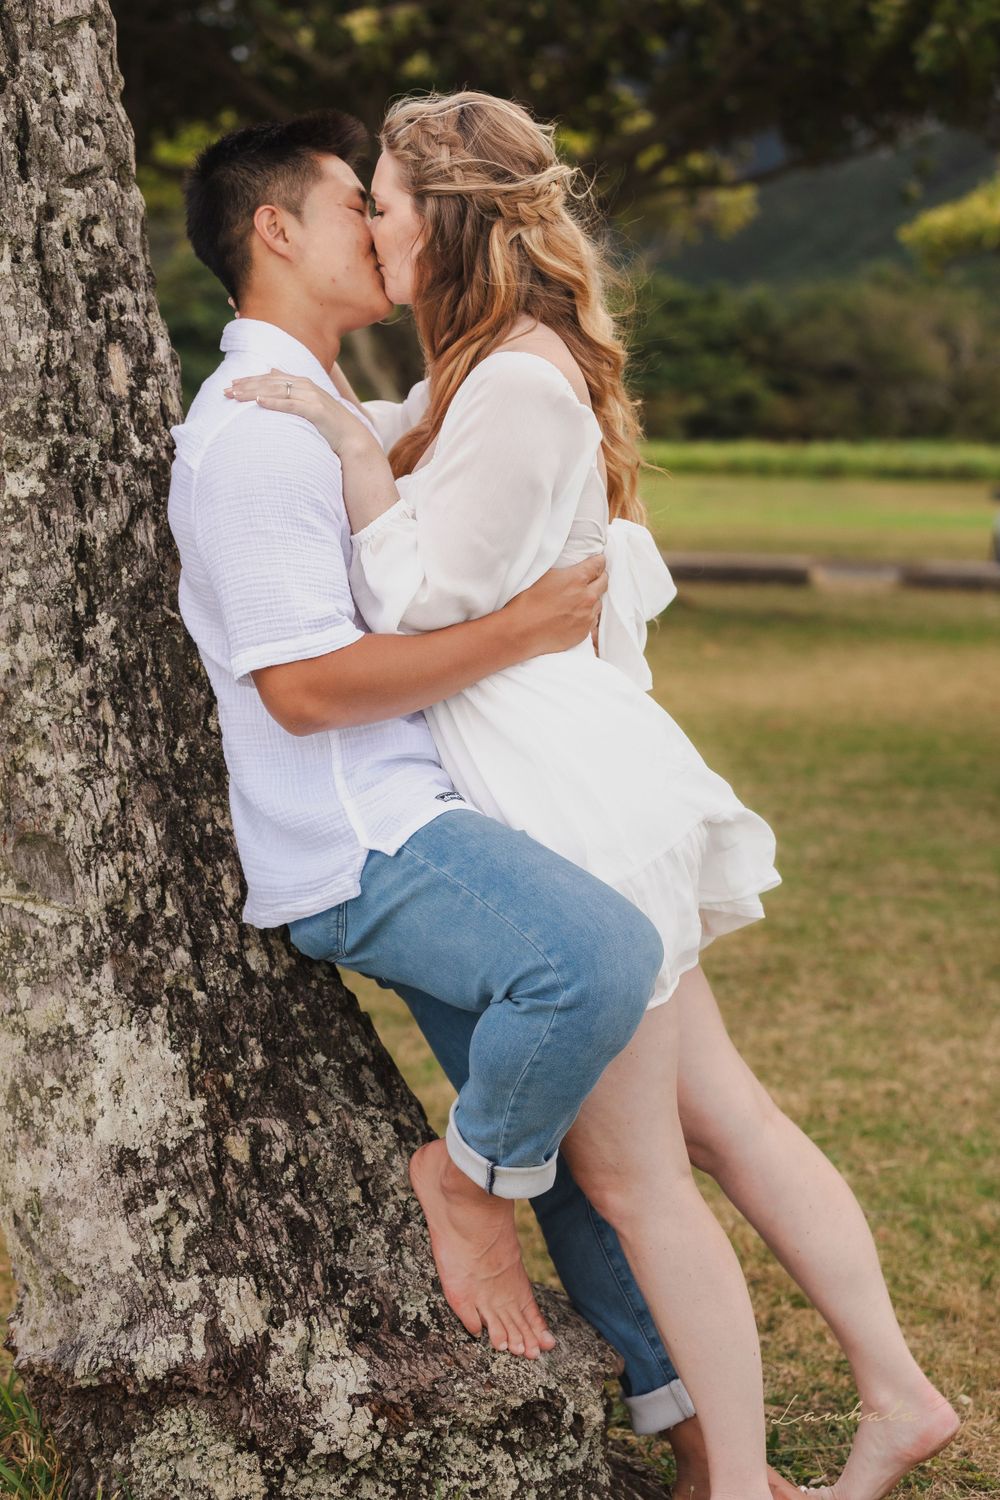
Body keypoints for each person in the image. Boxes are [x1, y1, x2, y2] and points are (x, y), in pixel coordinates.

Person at [226, 92, 961, 1500]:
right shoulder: (491, 368)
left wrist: (344, 453)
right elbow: (405, 437)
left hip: (555, 780)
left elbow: (422, 592)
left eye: (382, 198)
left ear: (442, 218)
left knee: (636, 1179)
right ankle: (896, 1388)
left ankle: (739, 1484)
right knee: (722, 1118)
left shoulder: (508, 379)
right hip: (589, 760)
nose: (372, 221)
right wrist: (341, 420)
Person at [169, 108, 775, 1500]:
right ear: (276, 232)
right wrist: (516, 634)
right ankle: (463, 1185)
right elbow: (307, 693)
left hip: (429, 804)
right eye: (351, 207)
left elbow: (432, 484)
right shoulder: (255, 436)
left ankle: (698, 1449)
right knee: (600, 961)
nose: (380, 229)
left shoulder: (327, 407)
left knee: (583, 1142)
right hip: (359, 839)